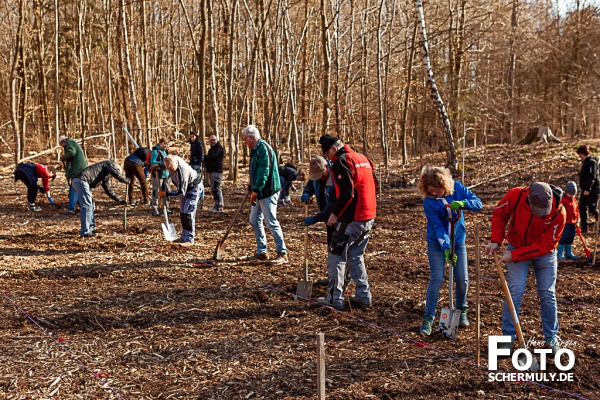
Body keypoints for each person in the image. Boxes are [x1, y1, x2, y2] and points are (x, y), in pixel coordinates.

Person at [484, 182, 566, 354]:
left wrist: (514, 255)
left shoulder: (559, 212)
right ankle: (508, 336)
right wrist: (496, 240)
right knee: (515, 289)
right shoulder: (516, 195)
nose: (541, 214)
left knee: (547, 292)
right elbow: (500, 214)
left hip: (545, 252)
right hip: (517, 244)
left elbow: (546, 245)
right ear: (528, 198)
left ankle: (551, 337)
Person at [417, 166, 482, 336]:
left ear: (444, 185)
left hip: (458, 241)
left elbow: (478, 203)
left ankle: (461, 310)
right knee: (436, 278)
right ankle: (428, 318)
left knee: (462, 279)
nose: (434, 193)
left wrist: (463, 203)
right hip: (436, 243)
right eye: (430, 191)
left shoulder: (458, 188)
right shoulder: (428, 202)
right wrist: (446, 248)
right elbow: (437, 226)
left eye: (437, 190)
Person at [315, 134, 377, 310]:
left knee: (336, 255)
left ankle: (335, 299)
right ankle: (364, 296)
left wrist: (335, 214)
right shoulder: (362, 158)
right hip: (368, 215)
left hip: (352, 217)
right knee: (355, 255)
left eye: (328, 154)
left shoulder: (342, 161)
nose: (329, 158)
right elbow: (375, 185)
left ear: (334, 149)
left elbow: (347, 193)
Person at [242, 125, 288, 265]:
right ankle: (262, 251)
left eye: (245, 139)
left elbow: (264, 171)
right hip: (259, 190)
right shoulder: (255, 149)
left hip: (267, 191)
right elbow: (255, 170)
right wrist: (252, 185)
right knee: (254, 219)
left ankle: (282, 253)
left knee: (271, 221)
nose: (245, 142)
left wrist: (256, 188)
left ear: (251, 137)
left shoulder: (263, 149)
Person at [71, 160, 130, 238]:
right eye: (118, 170)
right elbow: (115, 174)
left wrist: (118, 200)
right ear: (116, 167)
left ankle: (90, 228)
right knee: (87, 206)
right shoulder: (108, 164)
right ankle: (85, 231)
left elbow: (108, 190)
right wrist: (124, 180)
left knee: (91, 205)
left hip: (81, 182)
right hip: (82, 181)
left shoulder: (105, 175)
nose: (117, 172)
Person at [159, 155, 203, 244]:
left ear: (176, 164)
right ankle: (184, 236)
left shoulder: (183, 172)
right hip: (185, 188)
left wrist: (167, 194)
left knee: (188, 213)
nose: (171, 171)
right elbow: (165, 162)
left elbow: (180, 192)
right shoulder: (170, 159)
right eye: (169, 169)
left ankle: (189, 239)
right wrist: (157, 166)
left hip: (193, 188)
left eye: (172, 169)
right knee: (183, 212)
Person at [301, 156, 336, 245]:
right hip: (326, 217)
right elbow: (310, 185)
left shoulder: (335, 177)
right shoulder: (316, 177)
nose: (319, 178)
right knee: (331, 244)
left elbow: (334, 204)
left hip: (336, 217)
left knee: (337, 246)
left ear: (327, 167)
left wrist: (316, 218)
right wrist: (307, 193)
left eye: (321, 174)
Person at [59, 136, 88, 215]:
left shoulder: (70, 143)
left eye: (61, 144)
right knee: (78, 190)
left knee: (74, 190)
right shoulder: (70, 144)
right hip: (78, 171)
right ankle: (86, 206)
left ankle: (70, 209)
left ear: (63, 142)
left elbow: (72, 152)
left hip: (77, 171)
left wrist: (63, 157)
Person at [576, 145, 598, 233]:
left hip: (592, 190)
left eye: (580, 155)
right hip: (584, 190)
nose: (580, 157)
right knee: (582, 207)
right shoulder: (584, 163)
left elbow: (592, 176)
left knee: (593, 209)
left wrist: (588, 189)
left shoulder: (592, 162)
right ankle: (584, 228)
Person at [558, 181, 579, 260]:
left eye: (574, 194)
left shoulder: (574, 201)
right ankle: (560, 253)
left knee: (570, 237)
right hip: (566, 222)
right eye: (570, 194)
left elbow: (576, 210)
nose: (572, 196)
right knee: (564, 237)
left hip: (573, 222)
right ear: (566, 192)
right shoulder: (563, 200)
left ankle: (568, 252)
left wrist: (578, 219)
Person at [150, 138, 171, 216]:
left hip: (166, 174)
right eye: (164, 143)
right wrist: (162, 163)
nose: (165, 145)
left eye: (166, 144)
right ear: (160, 143)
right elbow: (153, 162)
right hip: (157, 175)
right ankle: (154, 209)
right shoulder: (156, 151)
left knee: (167, 191)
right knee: (156, 191)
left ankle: (165, 208)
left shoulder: (165, 151)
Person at [205, 135, 224, 213]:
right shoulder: (211, 149)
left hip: (216, 171)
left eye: (213, 140)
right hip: (212, 171)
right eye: (211, 140)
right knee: (214, 189)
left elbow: (212, 157)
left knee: (216, 188)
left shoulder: (218, 148)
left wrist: (205, 157)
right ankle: (217, 205)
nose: (212, 141)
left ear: (217, 140)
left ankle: (219, 206)